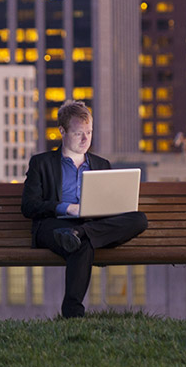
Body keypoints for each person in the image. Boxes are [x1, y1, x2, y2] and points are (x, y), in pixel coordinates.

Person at [21, 100, 148, 318]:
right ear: (62, 131)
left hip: (92, 225)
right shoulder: (42, 163)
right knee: (82, 244)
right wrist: (66, 207)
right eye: (79, 133)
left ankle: (80, 235)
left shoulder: (101, 164)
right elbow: (29, 205)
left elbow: (112, 204)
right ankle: (73, 313)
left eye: (89, 132)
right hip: (54, 226)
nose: (85, 139)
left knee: (139, 219)